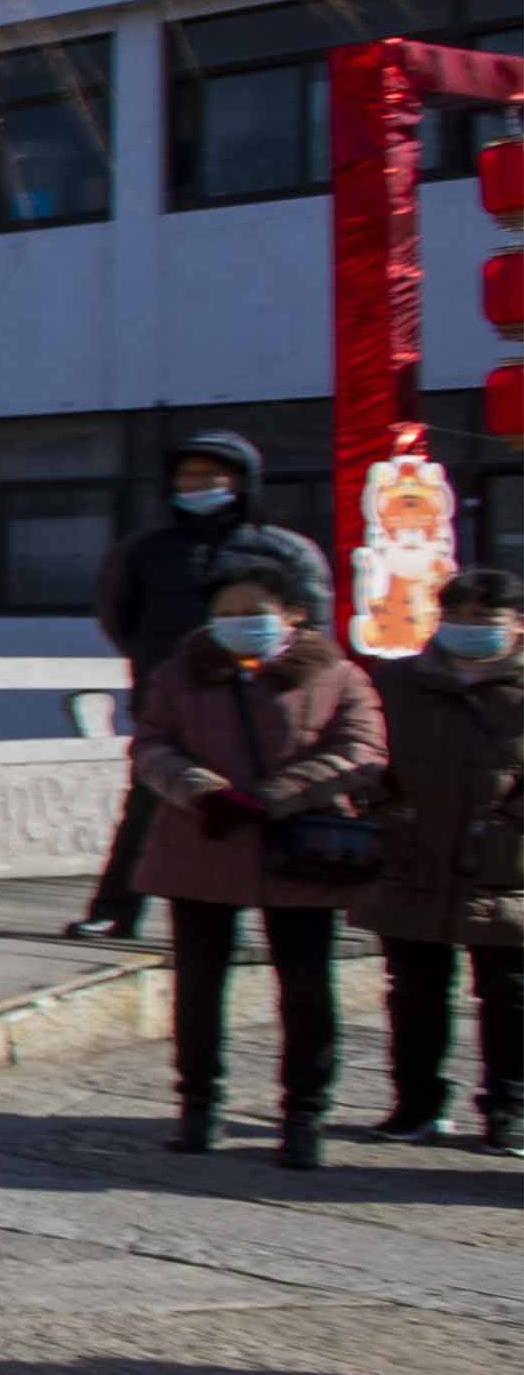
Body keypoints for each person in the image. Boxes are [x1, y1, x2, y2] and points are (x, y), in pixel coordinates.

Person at [128, 555, 383, 1167]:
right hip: (200, 840)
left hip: (299, 848)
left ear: (292, 614)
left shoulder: (336, 674)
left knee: (305, 986)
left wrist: (275, 797)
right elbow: (149, 744)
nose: (240, 622)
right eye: (227, 613)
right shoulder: (180, 673)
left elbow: (363, 748)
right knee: (198, 985)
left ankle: (304, 1114)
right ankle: (198, 1106)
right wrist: (202, 791)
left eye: (255, 612)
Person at [82, 433, 335, 938]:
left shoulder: (285, 550)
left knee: (269, 801)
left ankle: (281, 912)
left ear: (240, 482)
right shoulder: (145, 551)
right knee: (151, 805)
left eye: (209, 476)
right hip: (173, 696)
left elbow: (314, 624)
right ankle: (116, 908)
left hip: (267, 700)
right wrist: (160, 667)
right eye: (187, 476)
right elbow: (118, 617)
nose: (196, 485)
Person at [365, 565, 524, 1150]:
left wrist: (510, 822)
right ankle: (416, 1103)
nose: (469, 628)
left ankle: (510, 1107)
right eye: (457, 616)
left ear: (518, 626)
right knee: (412, 987)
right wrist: (383, 809)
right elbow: (367, 751)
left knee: (510, 993)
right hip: (414, 854)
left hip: (508, 866)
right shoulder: (398, 682)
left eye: (486, 618)